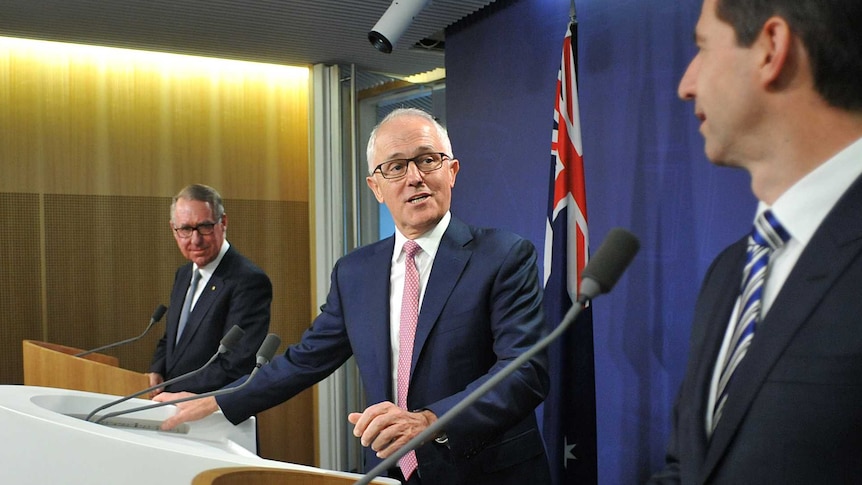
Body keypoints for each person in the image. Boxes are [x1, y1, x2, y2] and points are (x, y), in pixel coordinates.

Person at [154, 109, 552, 485]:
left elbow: (524, 371)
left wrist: (432, 420)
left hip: (486, 470)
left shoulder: (503, 256)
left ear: (452, 171)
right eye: (395, 166)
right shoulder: (355, 272)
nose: (414, 177)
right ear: (376, 187)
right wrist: (219, 400)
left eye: (428, 160)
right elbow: (305, 359)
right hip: (389, 469)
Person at [650, 0, 862, 483]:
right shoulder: (731, 271)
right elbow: (688, 466)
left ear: (771, 48)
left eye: (702, 47)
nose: (686, 85)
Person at [147, 184, 272, 396]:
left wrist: (175, 392)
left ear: (223, 222)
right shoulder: (184, 274)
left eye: (204, 227)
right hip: (173, 406)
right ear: (174, 230)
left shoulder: (248, 280)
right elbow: (174, 338)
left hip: (213, 412)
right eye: (186, 229)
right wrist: (157, 369)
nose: (195, 240)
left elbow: (237, 362)